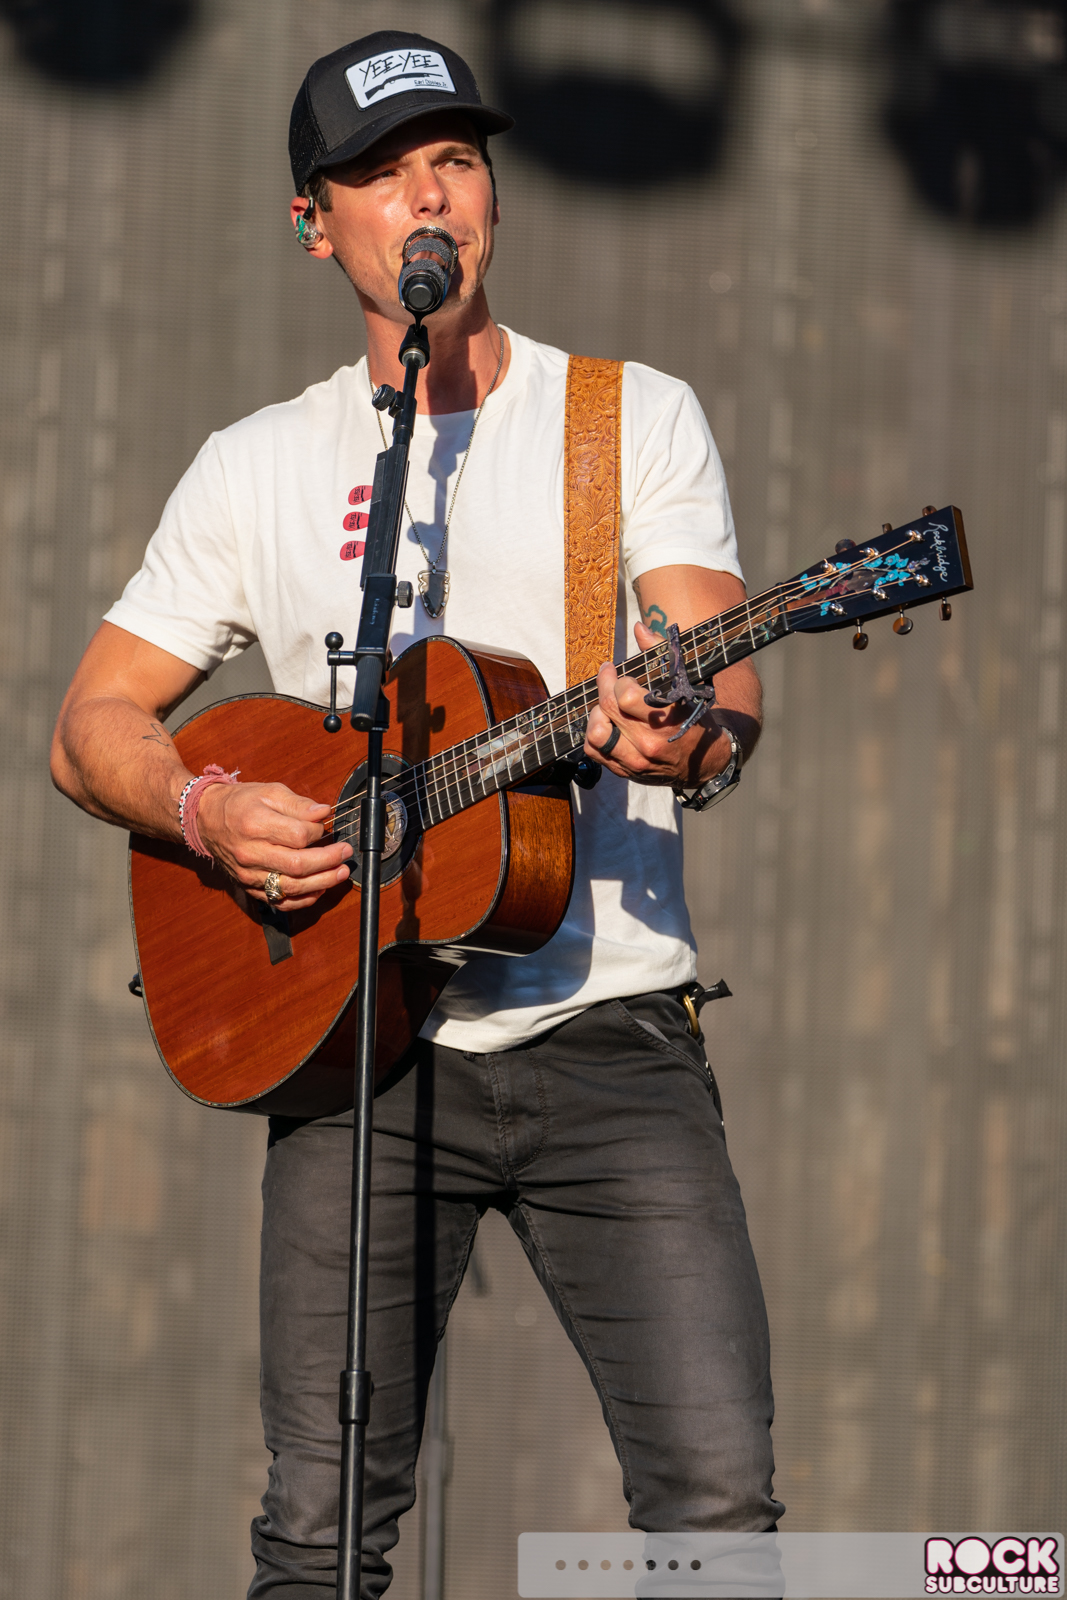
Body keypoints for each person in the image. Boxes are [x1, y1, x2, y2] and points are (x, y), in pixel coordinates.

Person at [50, 30, 783, 1599]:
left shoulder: (626, 418)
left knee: (718, 1514)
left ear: (492, 199)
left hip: (610, 1030)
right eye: (383, 173)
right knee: (316, 1541)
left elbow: (719, 677)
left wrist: (681, 733)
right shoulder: (256, 466)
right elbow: (90, 726)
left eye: (454, 160)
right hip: (356, 1045)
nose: (429, 194)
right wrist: (203, 807)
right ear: (315, 223)